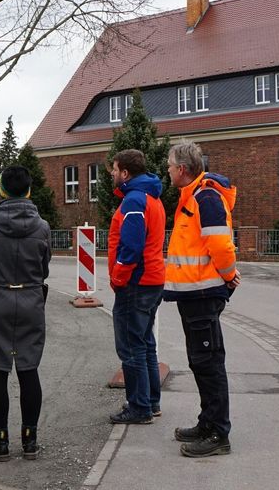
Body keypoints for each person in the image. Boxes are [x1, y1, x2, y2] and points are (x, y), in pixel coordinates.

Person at [163, 142, 240, 458]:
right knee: (200, 361)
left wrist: (228, 274)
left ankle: (219, 433)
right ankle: (207, 423)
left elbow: (221, 246)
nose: (167, 170)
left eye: (169, 165)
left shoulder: (205, 197)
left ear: (182, 169)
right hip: (194, 295)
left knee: (208, 363)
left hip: (203, 295)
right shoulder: (192, 197)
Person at [0, 165, 51, 461]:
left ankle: (0, 441)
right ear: (28, 190)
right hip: (30, 300)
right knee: (29, 370)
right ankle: (30, 441)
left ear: (1, 190)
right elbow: (44, 268)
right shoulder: (42, 226)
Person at [107, 149, 167, 425]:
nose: (112, 173)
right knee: (145, 344)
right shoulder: (151, 197)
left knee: (131, 348)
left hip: (136, 283)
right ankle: (151, 402)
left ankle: (139, 407)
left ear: (125, 173)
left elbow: (131, 246)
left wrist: (119, 277)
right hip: (152, 280)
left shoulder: (133, 201)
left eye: (114, 169)